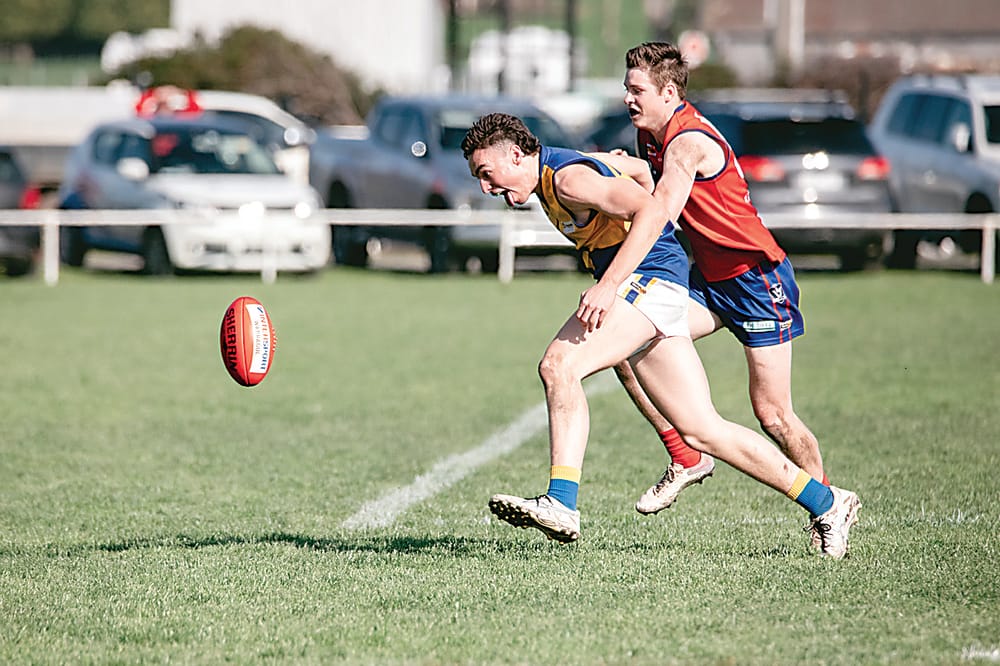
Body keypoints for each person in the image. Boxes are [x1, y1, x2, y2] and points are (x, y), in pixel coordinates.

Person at [461, 112, 860, 558]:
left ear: (515, 155)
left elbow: (650, 209)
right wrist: (621, 169)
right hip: (657, 286)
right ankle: (828, 502)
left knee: (559, 366)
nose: (485, 187)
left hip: (650, 282)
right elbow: (637, 172)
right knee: (704, 430)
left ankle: (562, 502)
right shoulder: (558, 174)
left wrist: (609, 284)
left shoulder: (569, 179)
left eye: (486, 173)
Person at [593, 42, 831, 524]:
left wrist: (610, 280)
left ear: (668, 91)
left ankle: (826, 509)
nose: (628, 98)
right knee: (619, 342)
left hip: (757, 280)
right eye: (626, 89)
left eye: (636, 90)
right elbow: (645, 172)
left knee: (773, 415)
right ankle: (686, 455)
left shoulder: (686, 143)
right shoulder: (652, 135)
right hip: (708, 279)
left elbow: (660, 209)